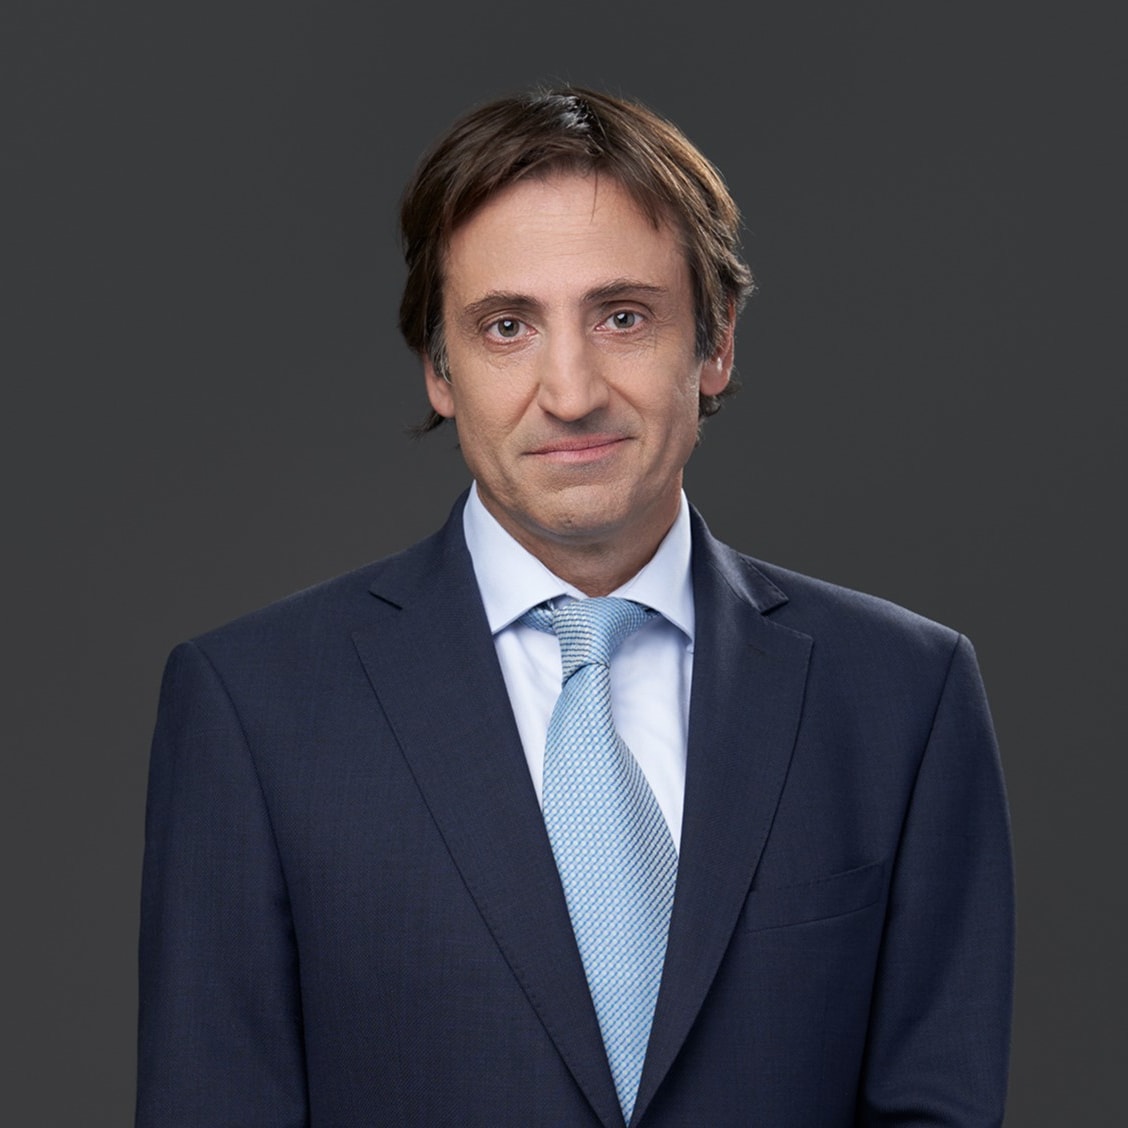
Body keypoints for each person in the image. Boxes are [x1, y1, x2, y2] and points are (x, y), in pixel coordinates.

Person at [137, 87, 1014, 1127]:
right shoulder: (255, 709)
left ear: (717, 344)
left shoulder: (903, 697)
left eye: (623, 317)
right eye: (507, 326)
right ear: (439, 370)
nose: (571, 391)